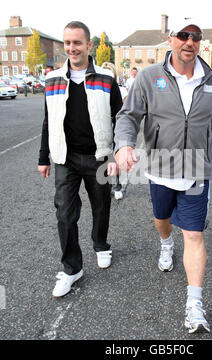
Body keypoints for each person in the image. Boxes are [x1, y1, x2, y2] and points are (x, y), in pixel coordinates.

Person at [114, 18, 212, 333]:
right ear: (170, 38)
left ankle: (194, 305)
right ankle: (165, 243)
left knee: (193, 234)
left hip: (196, 172)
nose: (190, 42)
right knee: (162, 218)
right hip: (161, 168)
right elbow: (128, 116)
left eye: (196, 37)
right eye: (183, 35)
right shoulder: (149, 77)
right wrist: (124, 145)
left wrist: (208, 163)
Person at [38, 21, 123, 298]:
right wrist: (44, 157)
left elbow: (121, 119)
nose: (72, 48)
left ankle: (101, 244)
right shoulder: (52, 79)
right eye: (68, 43)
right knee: (64, 214)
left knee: (101, 206)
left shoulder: (106, 79)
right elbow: (48, 119)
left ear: (88, 45)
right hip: (65, 158)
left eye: (77, 42)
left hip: (98, 156)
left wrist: (117, 152)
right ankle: (72, 268)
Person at [101, 62, 127, 200]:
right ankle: (103, 186)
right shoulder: (96, 88)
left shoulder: (121, 90)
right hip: (100, 131)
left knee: (114, 159)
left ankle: (117, 186)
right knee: (101, 160)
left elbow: (124, 112)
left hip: (115, 129)